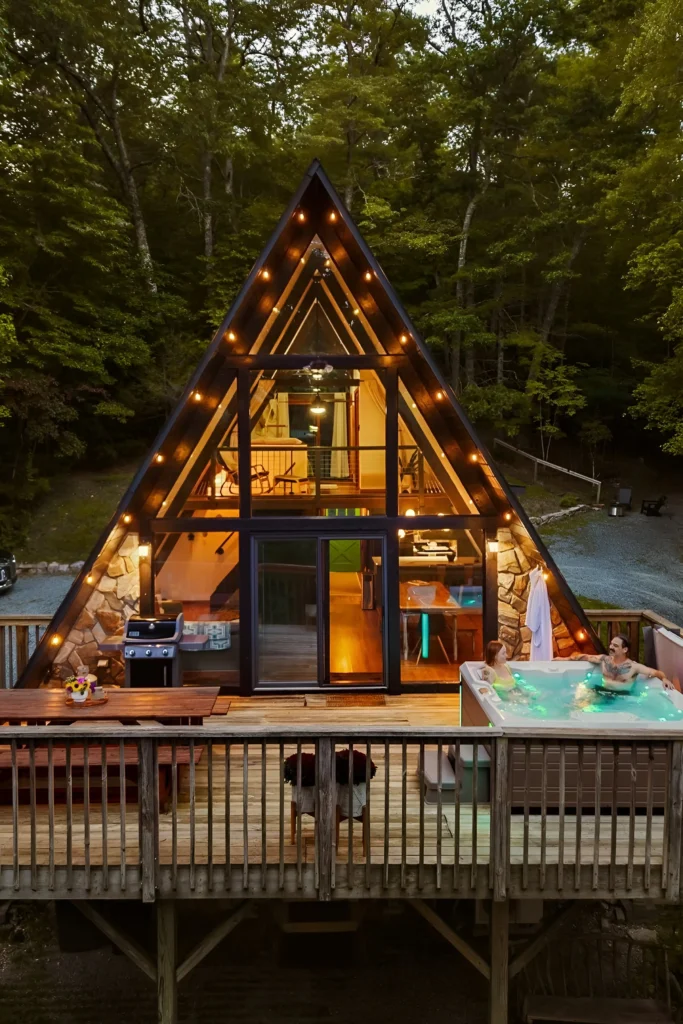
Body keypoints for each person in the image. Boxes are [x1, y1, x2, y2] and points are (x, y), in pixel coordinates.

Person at [569, 633, 673, 691]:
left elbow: (655, 672)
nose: (610, 647)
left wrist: (664, 678)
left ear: (625, 650)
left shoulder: (633, 667)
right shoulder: (604, 660)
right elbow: (584, 657)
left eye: (615, 646)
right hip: (602, 691)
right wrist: (562, 659)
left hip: (622, 698)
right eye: (611, 644)